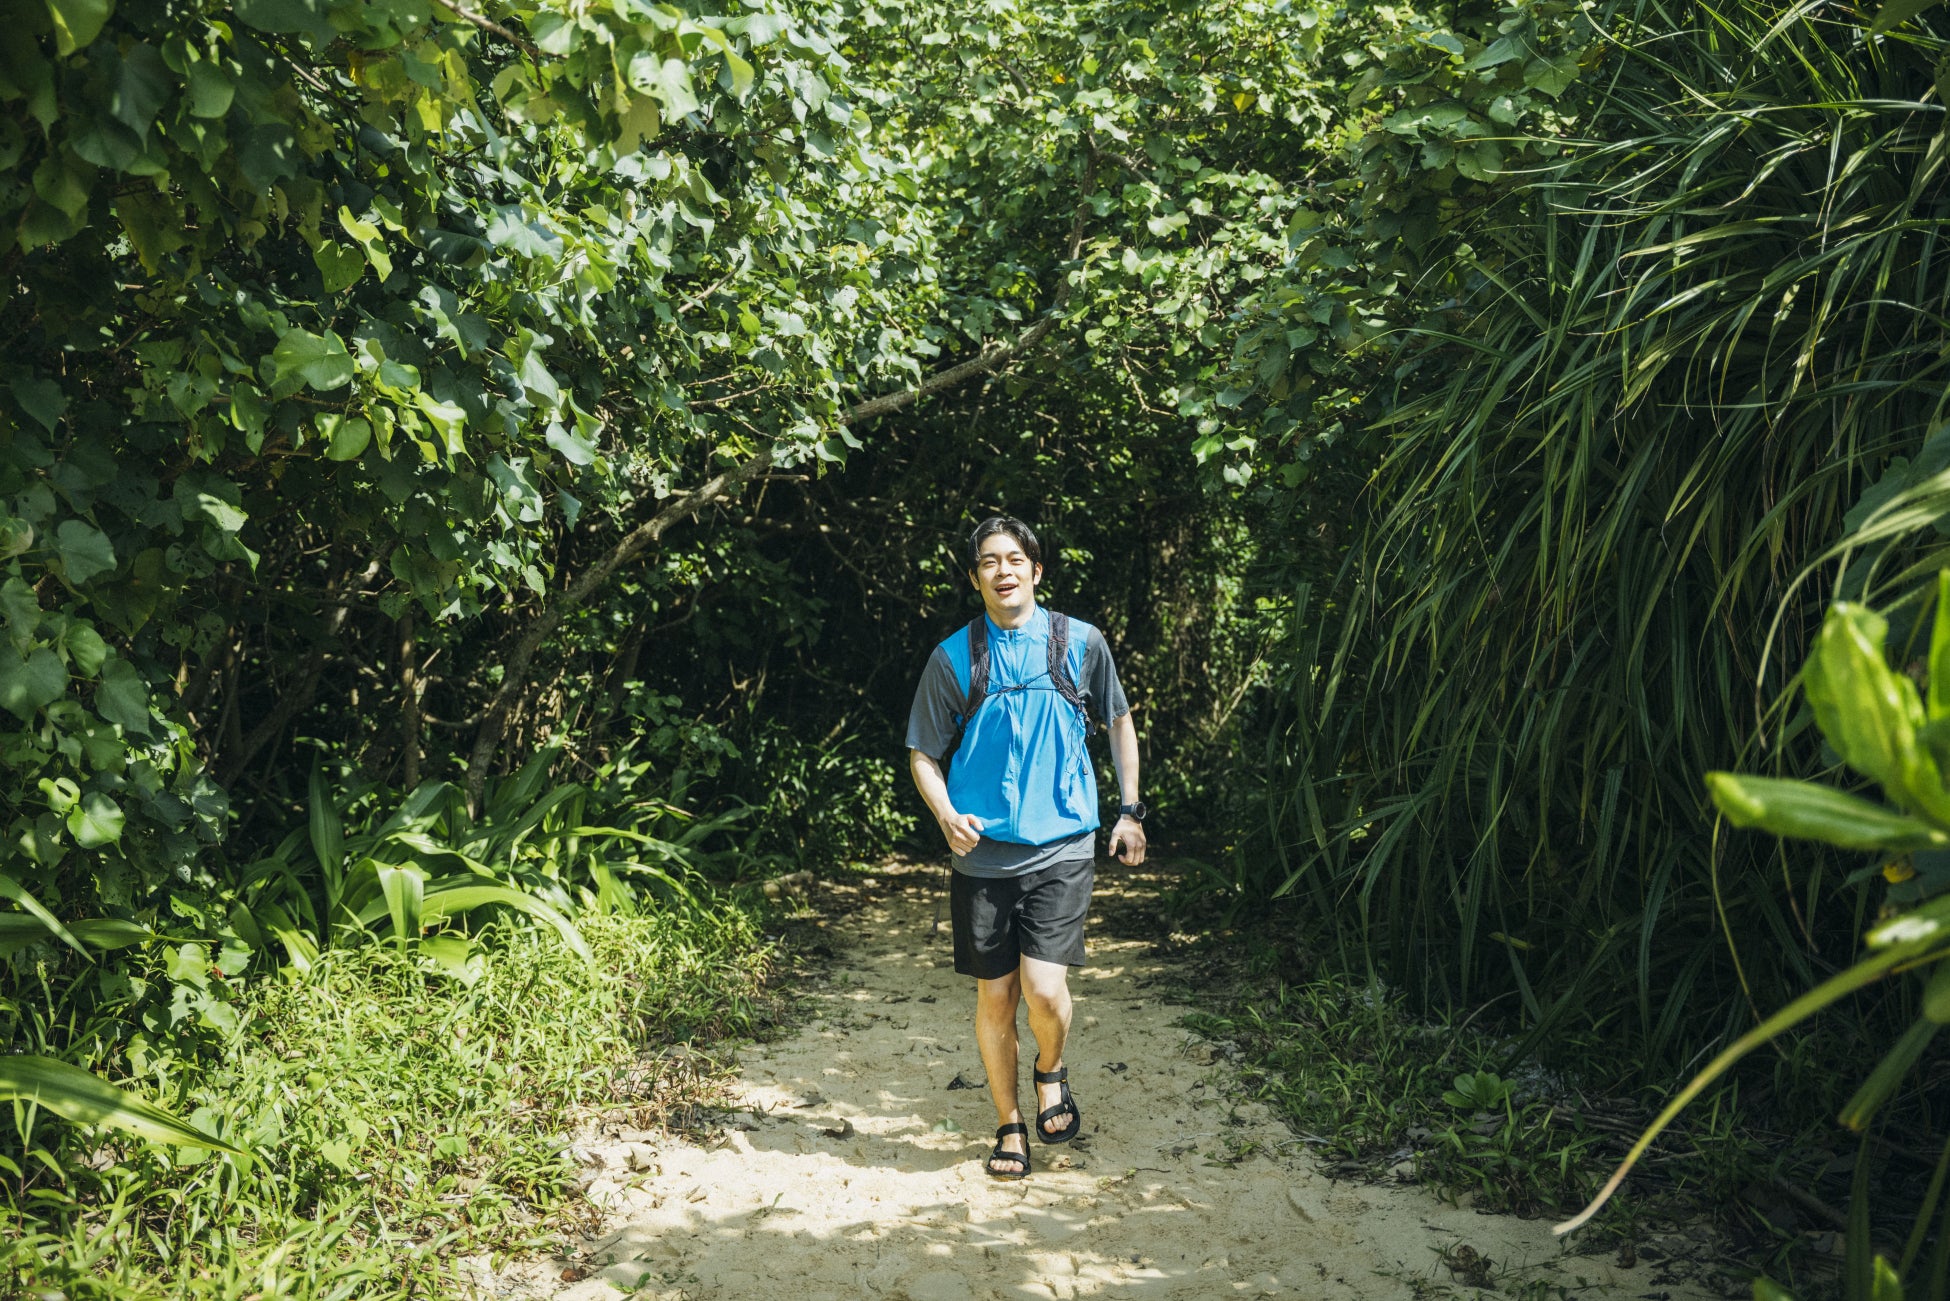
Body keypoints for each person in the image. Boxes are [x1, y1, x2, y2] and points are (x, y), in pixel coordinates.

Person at [905, 516, 1147, 1180]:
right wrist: (946, 814)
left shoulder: (1081, 642)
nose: (1003, 570)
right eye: (989, 561)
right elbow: (923, 752)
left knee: (1043, 989)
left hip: (1063, 843)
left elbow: (1118, 719)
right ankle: (1010, 1124)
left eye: (1014, 559)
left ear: (1036, 570)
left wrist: (1129, 811)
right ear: (975, 577)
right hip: (982, 853)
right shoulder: (954, 657)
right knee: (996, 995)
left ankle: (1051, 1068)